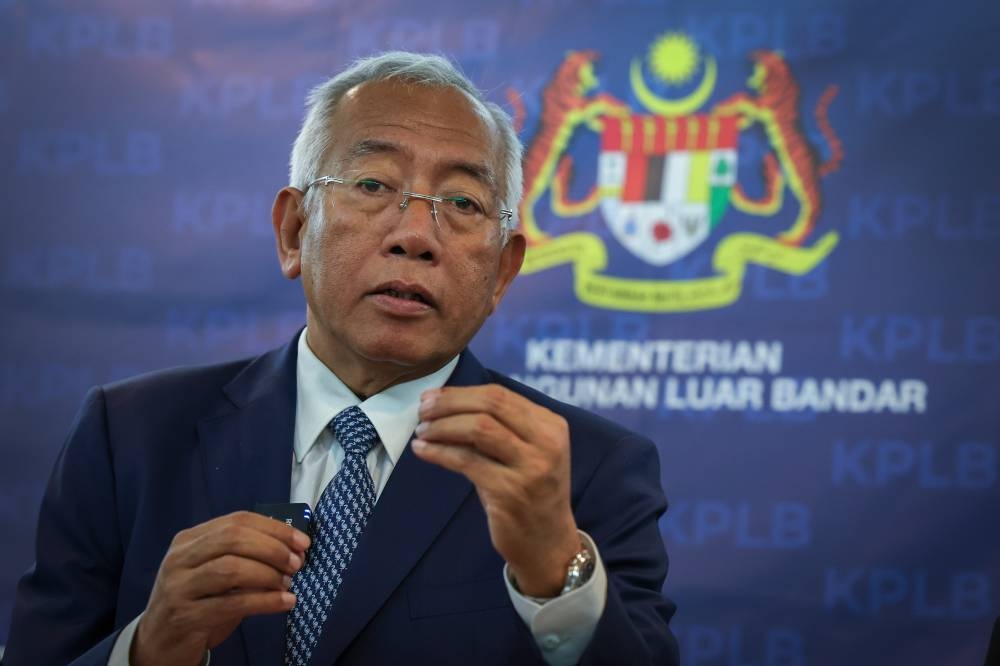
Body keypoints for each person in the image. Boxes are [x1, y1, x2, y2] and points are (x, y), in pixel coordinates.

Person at [5, 52, 678, 665]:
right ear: (295, 230)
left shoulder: (586, 473)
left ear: (502, 272)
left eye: (463, 202)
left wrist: (556, 569)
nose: (416, 235)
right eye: (372, 184)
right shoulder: (128, 437)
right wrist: (147, 650)